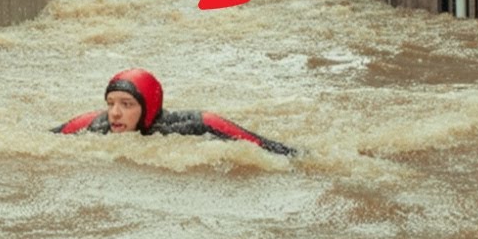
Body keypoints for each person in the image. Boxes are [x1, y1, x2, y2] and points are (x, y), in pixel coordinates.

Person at [53, 68, 297, 156]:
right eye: (110, 103)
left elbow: (263, 147)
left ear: (147, 109)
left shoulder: (187, 126)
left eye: (126, 104)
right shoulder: (94, 125)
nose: (114, 113)